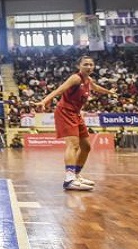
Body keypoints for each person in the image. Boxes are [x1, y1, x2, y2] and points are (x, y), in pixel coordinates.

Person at [35, 56, 116, 191]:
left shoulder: (88, 80)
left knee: (86, 147)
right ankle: (69, 179)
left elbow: (96, 88)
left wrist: (109, 92)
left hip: (76, 114)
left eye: (91, 64)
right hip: (65, 112)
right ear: (79, 66)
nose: (89, 67)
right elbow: (59, 90)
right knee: (73, 145)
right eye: (85, 64)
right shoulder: (75, 78)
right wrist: (44, 101)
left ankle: (76, 175)